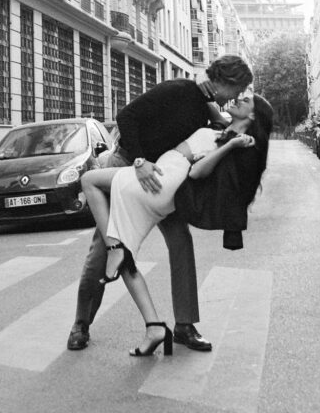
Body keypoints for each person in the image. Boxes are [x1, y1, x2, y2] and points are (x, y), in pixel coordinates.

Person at [66, 54, 253, 352]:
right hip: (130, 164)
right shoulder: (177, 90)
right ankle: (81, 323)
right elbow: (127, 115)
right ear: (225, 82)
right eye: (237, 89)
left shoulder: (206, 108)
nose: (237, 96)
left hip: (162, 177)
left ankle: (184, 325)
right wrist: (140, 160)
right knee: (105, 248)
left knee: (181, 241)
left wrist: (231, 121)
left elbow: (219, 134)